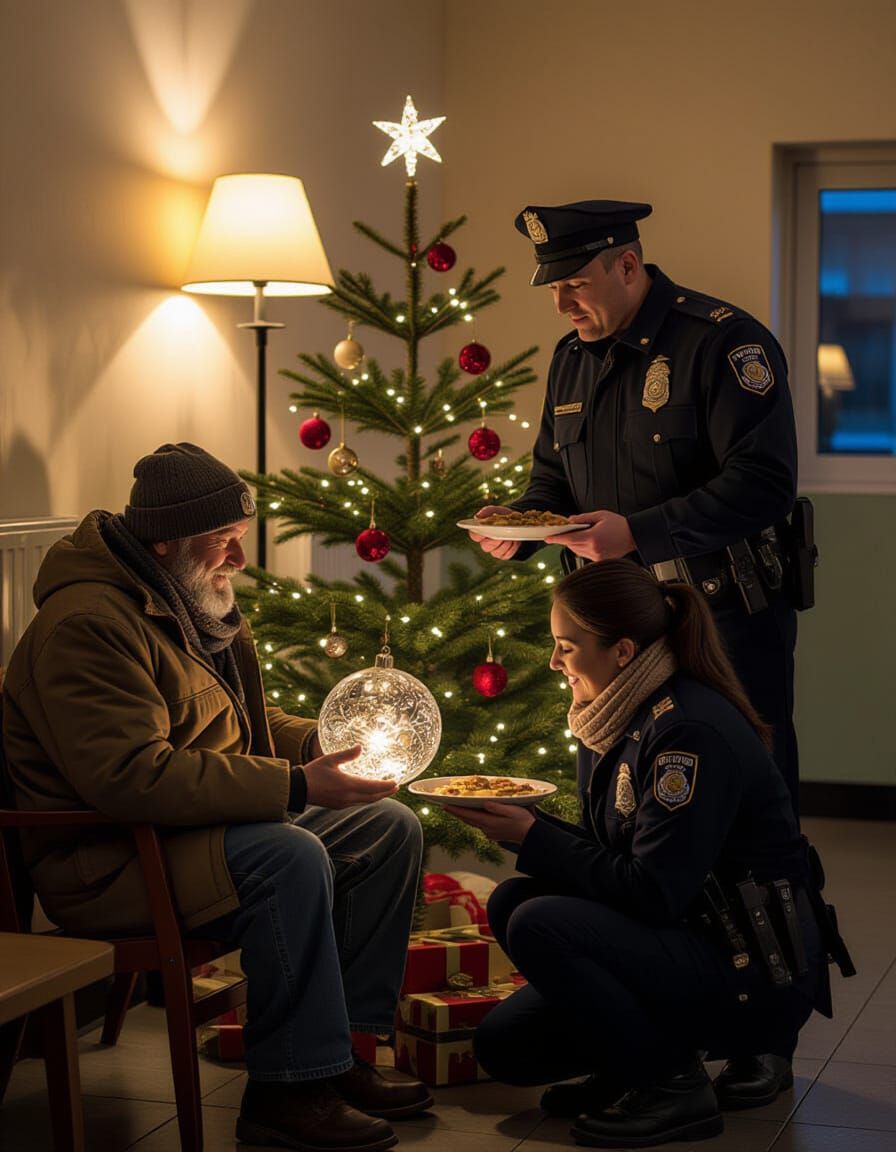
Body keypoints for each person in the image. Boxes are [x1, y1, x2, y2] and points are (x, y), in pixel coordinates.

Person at [2, 442, 432, 1152]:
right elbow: (131, 776)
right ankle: (287, 1094)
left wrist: (319, 746)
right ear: (165, 540)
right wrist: (296, 786)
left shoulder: (186, 598)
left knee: (386, 827)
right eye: (223, 542)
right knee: (289, 857)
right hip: (110, 861)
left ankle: (342, 1055)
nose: (238, 559)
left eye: (238, 539)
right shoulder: (89, 626)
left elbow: (242, 725)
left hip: (187, 834)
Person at [445, 560, 849, 1149]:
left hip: (748, 966)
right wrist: (526, 828)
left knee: (536, 918)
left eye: (566, 647)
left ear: (624, 651)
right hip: (697, 935)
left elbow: (654, 890)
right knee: (509, 1024)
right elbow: (625, 856)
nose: (555, 662)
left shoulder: (687, 732)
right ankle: (628, 1068)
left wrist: (534, 838)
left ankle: (671, 1086)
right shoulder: (635, 713)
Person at [467, 200, 803, 824]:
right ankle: (625, 919)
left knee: (740, 800)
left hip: (720, 612)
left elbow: (765, 483)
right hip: (613, 625)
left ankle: (770, 921)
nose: (562, 305)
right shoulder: (572, 360)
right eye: (555, 288)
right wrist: (523, 526)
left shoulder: (723, 341)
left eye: (575, 285)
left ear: (627, 265)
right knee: (617, 801)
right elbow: (553, 480)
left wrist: (639, 535)